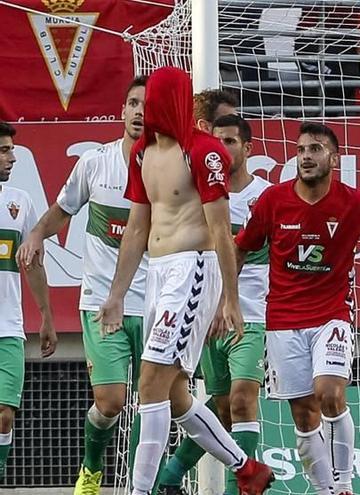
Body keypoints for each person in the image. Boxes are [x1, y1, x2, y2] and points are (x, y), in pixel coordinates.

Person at [97, 66, 273, 495]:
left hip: (193, 271)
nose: (146, 108)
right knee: (175, 394)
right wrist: (117, 295)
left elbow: (220, 231)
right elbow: (138, 227)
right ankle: (246, 468)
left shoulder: (205, 152)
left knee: (149, 383)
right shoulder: (142, 153)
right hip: (157, 274)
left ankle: (141, 491)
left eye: (153, 98)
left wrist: (229, 299)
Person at [234, 121, 360, 495]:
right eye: (301, 150)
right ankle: (325, 491)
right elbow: (240, 247)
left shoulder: (353, 202)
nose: (305, 156)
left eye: (315, 149)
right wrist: (223, 300)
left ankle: (345, 485)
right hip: (283, 321)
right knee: (304, 415)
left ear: (334, 158)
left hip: (331, 316)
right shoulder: (273, 201)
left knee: (330, 394)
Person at [16, 76, 149, 494]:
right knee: (110, 402)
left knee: (157, 404)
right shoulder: (95, 164)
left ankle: (148, 483)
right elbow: (61, 210)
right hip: (100, 301)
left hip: (157, 302)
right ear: (122, 112)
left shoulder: (169, 168)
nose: (139, 112)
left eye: (147, 105)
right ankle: (92, 469)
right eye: (132, 104)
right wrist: (37, 233)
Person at [156, 115, 269, 495]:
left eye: (232, 142)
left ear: (248, 148)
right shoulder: (199, 193)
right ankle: (169, 480)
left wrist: (232, 300)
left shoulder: (265, 197)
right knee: (220, 409)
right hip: (205, 318)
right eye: (217, 140)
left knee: (241, 400)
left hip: (249, 315)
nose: (223, 148)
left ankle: (246, 485)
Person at [0, 121, 57, 479]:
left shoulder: (19, 202)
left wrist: (47, 316)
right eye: (4, 150)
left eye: (12, 150)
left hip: (8, 327)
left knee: (5, 413)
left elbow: (33, 265)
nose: (12, 157)